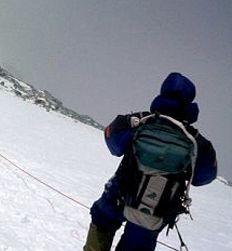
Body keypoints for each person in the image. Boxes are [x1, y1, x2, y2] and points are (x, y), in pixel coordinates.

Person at [83, 72, 217, 251]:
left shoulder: (139, 121)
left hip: (118, 194)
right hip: (154, 210)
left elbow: (113, 142)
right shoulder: (197, 141)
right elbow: (204, 177)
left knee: (102, 223)